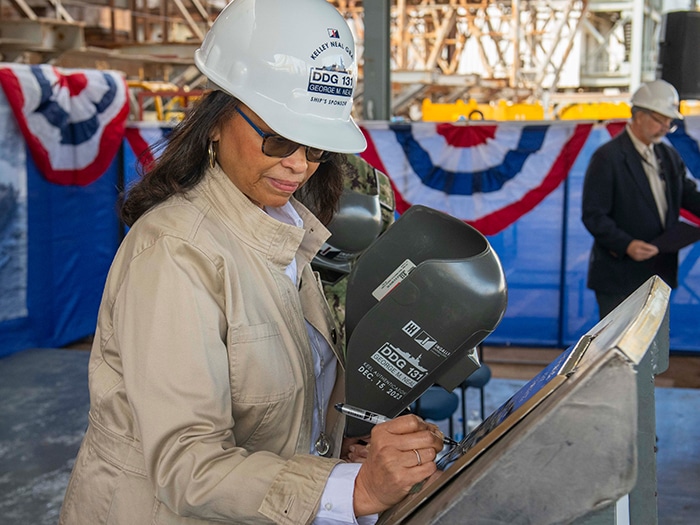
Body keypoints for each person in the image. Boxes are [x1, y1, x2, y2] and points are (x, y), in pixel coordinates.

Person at [58, 1, 443, 524]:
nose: (298, 164)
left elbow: (289, 411)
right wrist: (354, 492)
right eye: (280, 138)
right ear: (215, 123)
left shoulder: (282, 231)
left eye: (315, 148)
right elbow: (187, 465)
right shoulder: (176, 251)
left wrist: (347, 455)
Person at [582, 79, 700, 318]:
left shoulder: (667, 155)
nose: (666, 127)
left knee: (651, 350)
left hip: (659, 274)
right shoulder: (608, 157)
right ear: (638, 115)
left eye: (669, 122)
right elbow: (594, 215)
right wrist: (626, 244)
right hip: (619, 277)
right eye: (660, 119)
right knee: (619, 352)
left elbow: (687, 194)